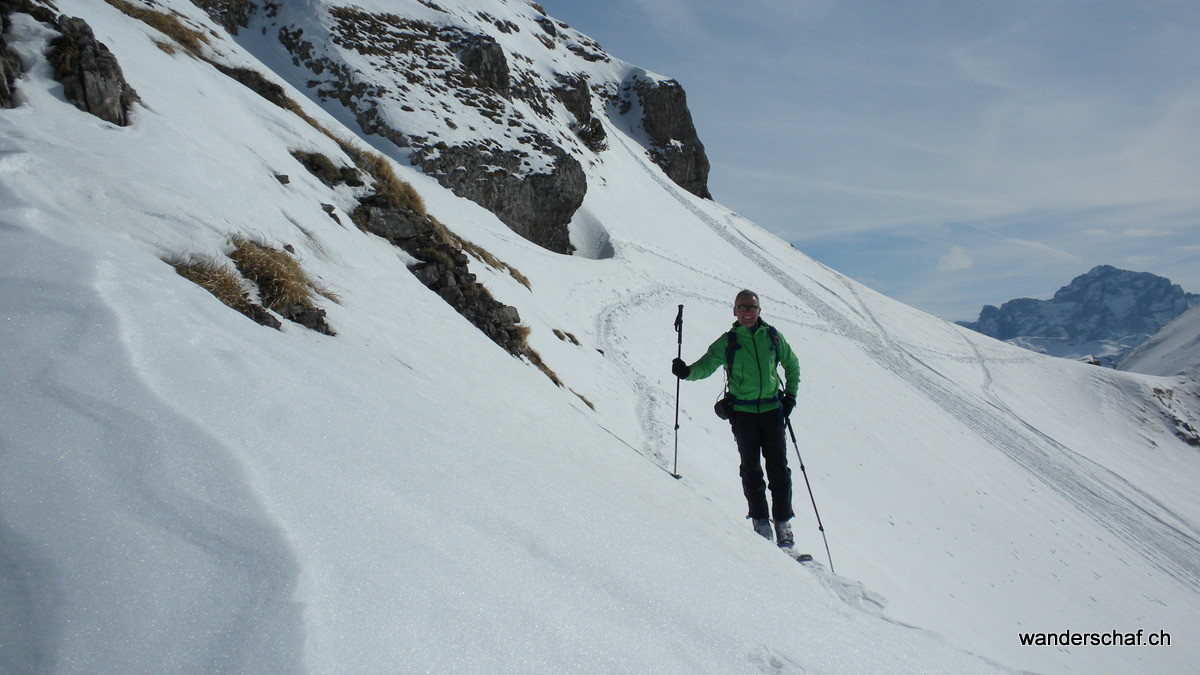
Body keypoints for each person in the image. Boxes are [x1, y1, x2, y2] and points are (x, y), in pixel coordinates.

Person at [671, 290, 801, 548]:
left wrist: (790, 398)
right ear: (734, 311)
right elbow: (707, 365)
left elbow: (792, 365)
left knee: (779, 469)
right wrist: (686, 372)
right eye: (742, 307)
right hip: (742, 414)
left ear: (759, 311)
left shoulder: (773, 337)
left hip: (772, 410)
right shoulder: (729, 341)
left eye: (752, 307)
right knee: (751, 468)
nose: (747, 312)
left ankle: (783, 524)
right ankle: (761, 521)